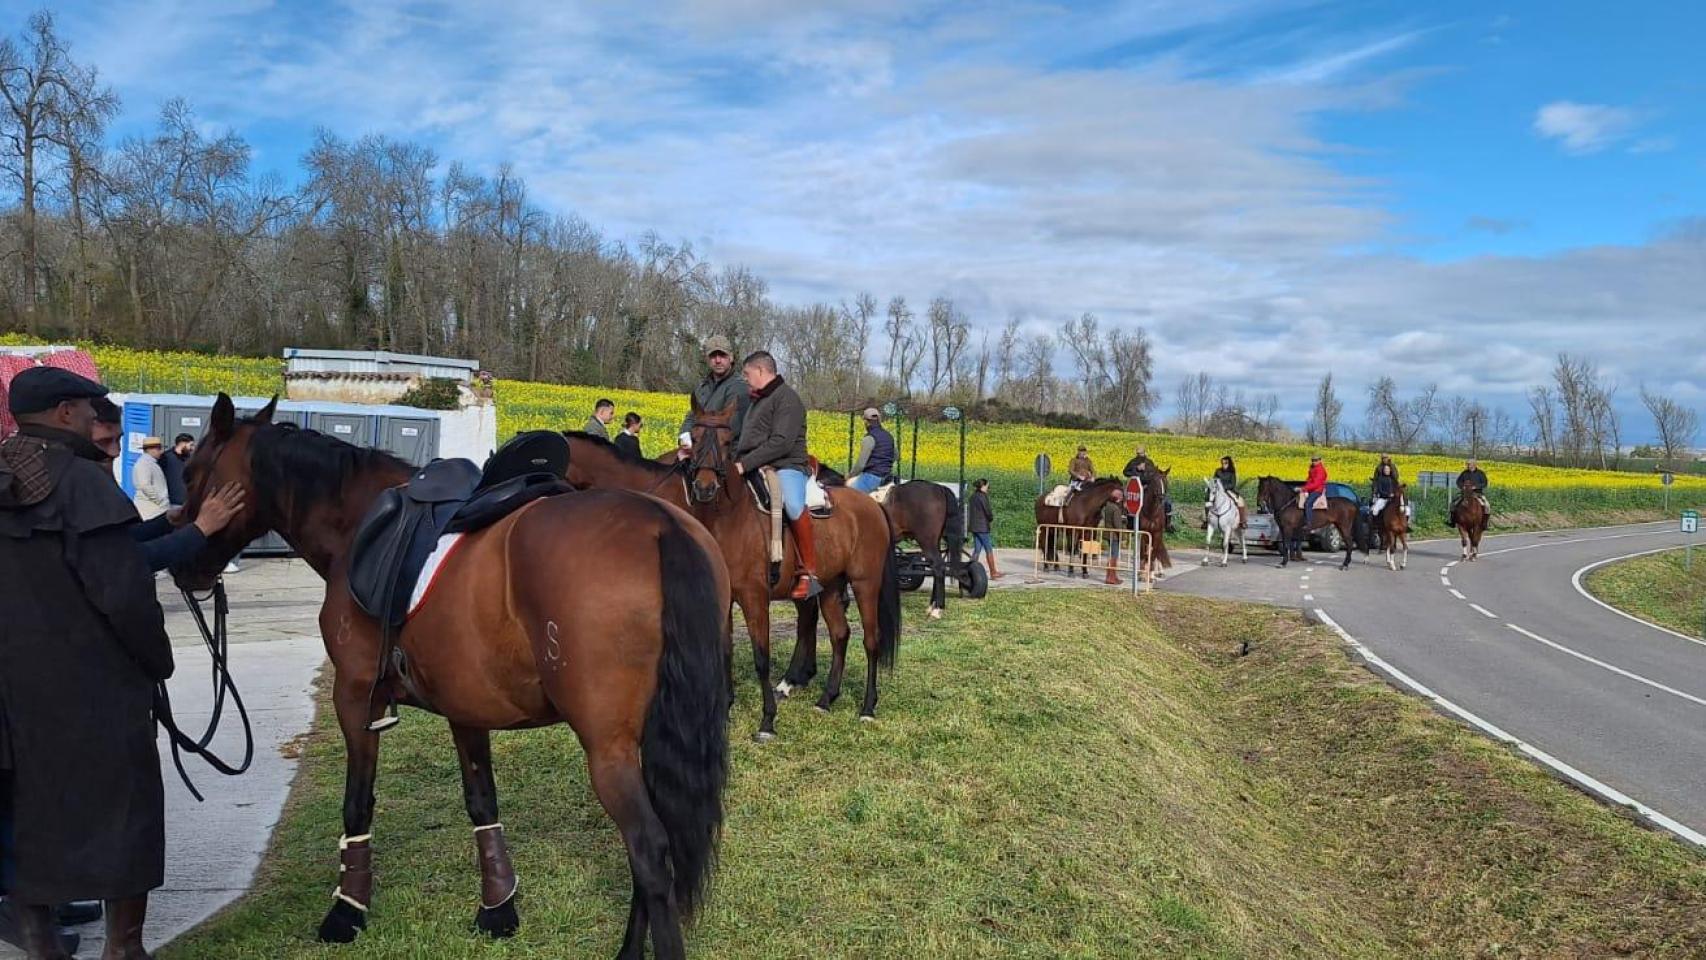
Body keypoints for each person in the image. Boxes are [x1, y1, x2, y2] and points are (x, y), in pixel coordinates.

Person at [0, 367, 174, 960]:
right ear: (68, 412)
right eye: (89, 410)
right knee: (124, 813)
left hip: (11, 698)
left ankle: (40, 943)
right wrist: (158, 663)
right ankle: (123, 947)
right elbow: (124, 596)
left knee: (25, 816)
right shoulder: (84, 486)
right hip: (95, 691)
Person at [732, 351, 817, 600]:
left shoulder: (787, 399)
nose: (746, 380)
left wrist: (744, 464)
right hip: (757, 464)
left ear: (760, 371)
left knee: (791, 503)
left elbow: (781, 442)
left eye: (747, 374)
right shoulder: (757, 400)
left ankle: (809, 573)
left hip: (787, 465)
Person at [679, 336, 750, 460]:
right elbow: (692, 415)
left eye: (722, 355)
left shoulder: (738, 387)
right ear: (707, 360)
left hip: (726, 455)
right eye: (713, 356)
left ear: (731, 358)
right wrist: (685, 435)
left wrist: (697, 438)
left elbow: (730, 428)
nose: (717, 360)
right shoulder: (703, 386)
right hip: (700, 449)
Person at [847, 408, 897, 493]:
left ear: (866, 422)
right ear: (879, 420)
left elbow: (860, 465)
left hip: (871, 477)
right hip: (887, 477)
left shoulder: (869, 438)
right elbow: (896, 456)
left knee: (848, 495)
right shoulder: (889, 436)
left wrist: (849, 476)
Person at [966, 478, 1001, 580]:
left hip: (974, 527)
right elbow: (988, 511)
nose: (988, 488)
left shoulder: (973, 496)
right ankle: (993, 572)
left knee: (977, 549)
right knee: (988, 549)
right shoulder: (983, 496)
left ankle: (969, 571)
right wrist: (990, 518)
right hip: (982, 527)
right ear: (983, 486)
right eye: (987, 486)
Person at [131, 437, 170, 520]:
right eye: (159, 449)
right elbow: (144, 485)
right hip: (150, 510)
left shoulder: (151, 462)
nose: (161, 451)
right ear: (151, 450)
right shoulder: (144, 463)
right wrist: (159, 500)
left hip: (155, 509)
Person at [1208, 455, 1245, 529]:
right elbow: (1214, 480)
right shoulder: (1218, 471)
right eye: (1222, 463)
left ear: (1229, 463)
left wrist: (1223, 488)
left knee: (1240, 502)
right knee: (1208, 502)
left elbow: (1233, 483)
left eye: (1225, 463)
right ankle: (1207, 521)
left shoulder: (1232, 471)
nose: (1224, 465)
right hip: (1218, 491)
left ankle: (1242, 521)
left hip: (1229, 490)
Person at [162, 434, 194, 507]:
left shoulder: (190, 459)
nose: (192, 448)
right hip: (171, 503)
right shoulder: (166, 457)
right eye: (191, 445)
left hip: (187, 503)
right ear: (183, 444)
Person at [1299, 454, 1328, 531]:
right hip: (1310, 489)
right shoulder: (1312, 468)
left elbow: (1316, 483)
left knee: (1308, 504)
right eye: (1313, 460)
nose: (1314, 462)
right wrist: (1304, 488)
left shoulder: (1320, 470)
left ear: (1319, 460)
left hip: (1317, 490)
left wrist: (1304, 488)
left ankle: (1309, 524)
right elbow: (1309, 480)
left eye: (1316, 460)